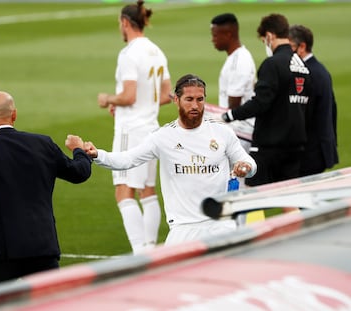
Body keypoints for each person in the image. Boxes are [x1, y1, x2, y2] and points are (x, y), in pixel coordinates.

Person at [77, 74, 256, 246]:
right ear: (176, 100)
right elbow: (127, 160)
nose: (195, 105)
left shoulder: (222, 132)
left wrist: (246, 166)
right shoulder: (163, 136)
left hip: (221, 224)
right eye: (189, 99)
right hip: (183, 228)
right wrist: (97, 154)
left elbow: (250, 163)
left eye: (200, 99)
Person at [0, 91, 92, 290]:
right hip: (42, 247)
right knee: (55, 304)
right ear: (14, 115)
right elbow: (79, 173)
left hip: (3, 250)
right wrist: (79, 150)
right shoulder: (42, 143)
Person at [97, 0, 172, 254]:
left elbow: (128, 96)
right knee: (148, 190)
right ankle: (151, 247)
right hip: (152, 127)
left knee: (124, 191)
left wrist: (109, 98)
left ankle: (140, 252)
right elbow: (165, 94)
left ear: (126, 23)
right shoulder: (156, 51)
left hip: (132, 130)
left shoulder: (129, 54)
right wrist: (134, 101)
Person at [221, 14, 312, 187]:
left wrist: (229, 115)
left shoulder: (272, 64)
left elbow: (260, 103)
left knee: (251, 194)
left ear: (269, 36)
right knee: (289, 197)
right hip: (296, 143)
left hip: (270, 144)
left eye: (264, 40)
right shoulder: (302, 66)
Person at [288, 24, 339, 176]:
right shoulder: (320, 70)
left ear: (302, 47)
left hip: (310, 151)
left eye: (289, 46)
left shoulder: (307, 73)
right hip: (319, 148)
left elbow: (302, 114)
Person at [210, 13, 256, 152]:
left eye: (215, 35)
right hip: (235, 130)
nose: (213, 40)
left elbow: (233, 104)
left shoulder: (239, 61)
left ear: (228, 34)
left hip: (239, 133)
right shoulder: (236, 57)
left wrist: (210, 115)